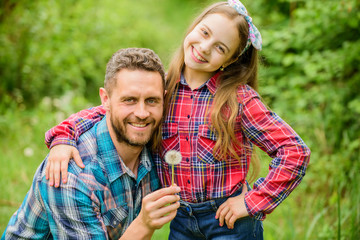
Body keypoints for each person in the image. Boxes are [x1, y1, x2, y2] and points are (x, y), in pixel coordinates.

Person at [44, 1, 311, 239]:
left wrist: (252, 202)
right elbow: (109, 110)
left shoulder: (238, 99)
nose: (205, 48)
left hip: (229, 222)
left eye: (220, 47)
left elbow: (294, 151)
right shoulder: (166, 89)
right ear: (193, 27)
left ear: (228, 61)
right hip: (181, 220)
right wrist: (63, 137)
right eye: (204, 33)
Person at [2, 48, 181, 240]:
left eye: (152, 100)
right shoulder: (72, 176)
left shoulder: (155, 147)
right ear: (106, 99)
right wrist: (144, 224)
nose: (142, 113)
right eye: (129, 100)